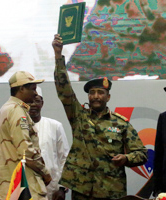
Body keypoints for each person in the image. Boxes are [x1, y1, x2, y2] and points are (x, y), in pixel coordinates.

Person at [52, 34, 148, 200]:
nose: (96, 96)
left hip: (110, 190)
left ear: (108, 97)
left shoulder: (121, 123)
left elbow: (141, 154)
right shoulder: (79, 116)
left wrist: (126, 158)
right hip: (82, 190)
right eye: (92, 93)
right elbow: (64, 90)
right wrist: (58, 55)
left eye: (100, 93)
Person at [0, 71, 51, 200]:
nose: (35, 93)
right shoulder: (17, 111)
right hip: (23, 186)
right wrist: (45, 173)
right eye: (33, 89)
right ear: (21, 89)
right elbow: (25, 150)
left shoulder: (5, 109)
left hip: (9, 185)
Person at [28, 91, 70, 200]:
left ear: (42, 103)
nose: (33, 104)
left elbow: (64, 158)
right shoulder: (17, 126)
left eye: (36, 101)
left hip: (52, 190)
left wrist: (62, 188)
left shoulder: (55, 126)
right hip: (26, 188)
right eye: (30, 101)